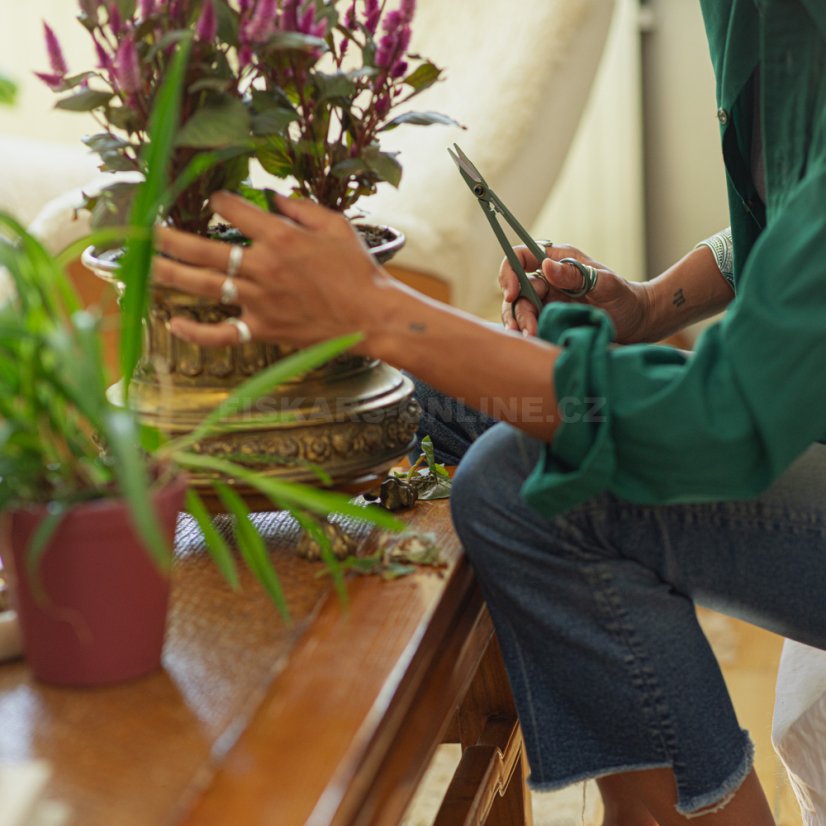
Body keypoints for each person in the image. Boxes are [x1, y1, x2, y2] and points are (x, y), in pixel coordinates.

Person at [151, 1, 826, 823]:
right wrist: (649, 305)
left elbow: (723, 424)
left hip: (770, 420)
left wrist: (381, 313)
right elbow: (789, 209)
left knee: (520, 480)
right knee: (426, 403)